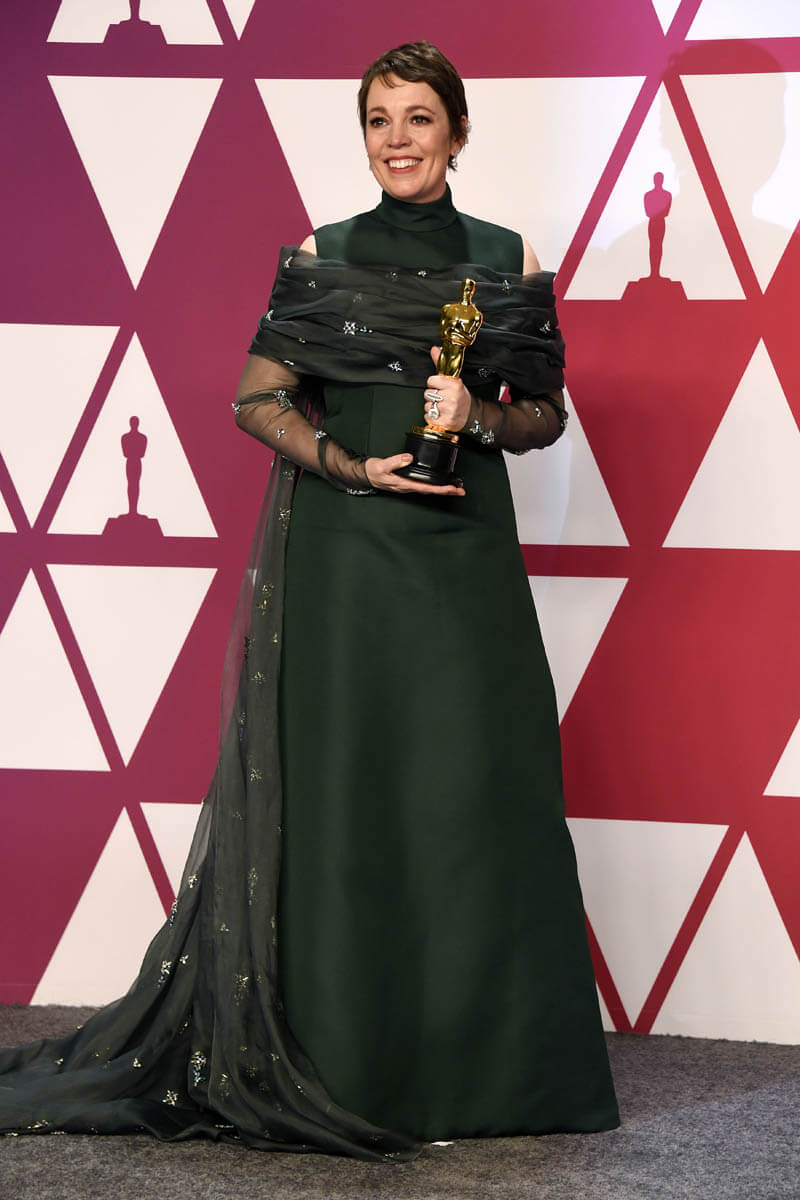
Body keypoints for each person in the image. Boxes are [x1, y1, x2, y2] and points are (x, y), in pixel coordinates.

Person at [0, 42, 618, 1158]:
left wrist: (479, 416)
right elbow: (258, 398)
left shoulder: (508, 257)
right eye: (379, 119)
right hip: (345, 562)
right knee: (351, 798)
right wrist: (346, 464)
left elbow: (543, 414)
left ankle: (484, 1074)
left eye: (418, 117)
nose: (397, 139)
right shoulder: (321, 254)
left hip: (464, 562)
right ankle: (351, 1067)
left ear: (457, 132)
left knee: (470, 794)